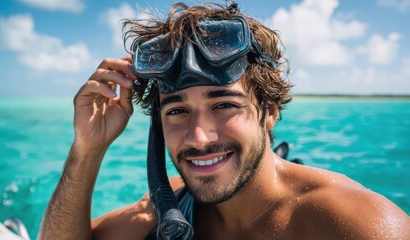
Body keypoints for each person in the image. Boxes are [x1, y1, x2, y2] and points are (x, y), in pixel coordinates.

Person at [38, 2, 410, 239]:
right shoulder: (166, 208)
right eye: (177, 111)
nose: (198, 137)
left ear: (270, 110)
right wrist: (87, 149)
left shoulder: (356, 224)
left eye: (224, 106)